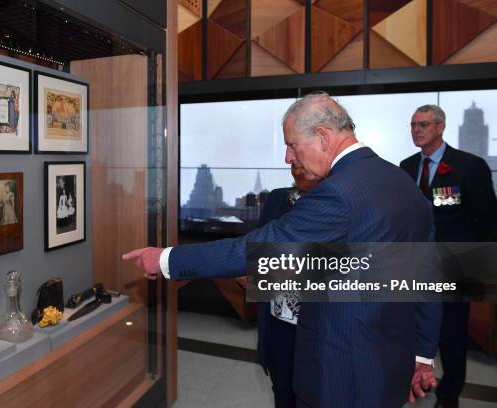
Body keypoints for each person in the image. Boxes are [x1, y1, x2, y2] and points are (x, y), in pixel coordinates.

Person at [124, 92, 442, 407]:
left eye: (291, 145)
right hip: (389, 365)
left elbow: (261, 249)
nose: (288, 157)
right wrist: (422, 354)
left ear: (322, 136)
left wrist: (165, 259)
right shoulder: (403, 184)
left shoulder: (338, 193)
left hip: (342, 375)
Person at [400, 104, 497, 408]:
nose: (417, 130)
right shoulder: (405, 166)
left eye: (424, 124)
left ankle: (449, 397)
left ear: (440, 127)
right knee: (411, 330)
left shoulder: (469, 166)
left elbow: (488, 221)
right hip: (413, 268)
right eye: (413, 125)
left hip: (454, 268)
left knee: (452, 337)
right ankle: (412, 384)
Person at [255, 163, 320, 408]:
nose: (297, 167)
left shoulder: (339, 203)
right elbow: (257, 252)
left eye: (304, 162)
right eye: (294, 164)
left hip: (319, 326)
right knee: (282, 392)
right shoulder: (279, 198)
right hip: (279, 320)